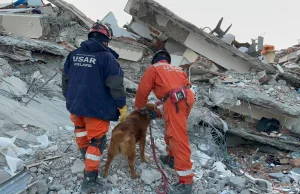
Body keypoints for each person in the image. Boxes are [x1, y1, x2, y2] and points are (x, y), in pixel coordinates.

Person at [62, 21, 127, 193]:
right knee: (97, 141)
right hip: (96, 109)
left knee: (80, 128)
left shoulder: (73, 54)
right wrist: (121, 106)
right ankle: (90, 179)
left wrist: (70, 98)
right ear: (106, 40)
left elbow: (65, 80)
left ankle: (84, 153)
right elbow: (115, 85)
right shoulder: (107, 58)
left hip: (75, 105)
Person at [134, 50, 195, 194]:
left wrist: (140, 108)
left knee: (178, 137)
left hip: (176, 101)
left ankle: (186, 182)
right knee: (172, 129)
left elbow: (143, 91)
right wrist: (159, 112)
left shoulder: (153, 69)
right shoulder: (178, 69)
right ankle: (171, 158)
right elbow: (173, 93)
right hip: (184, 98)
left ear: (155, 60)